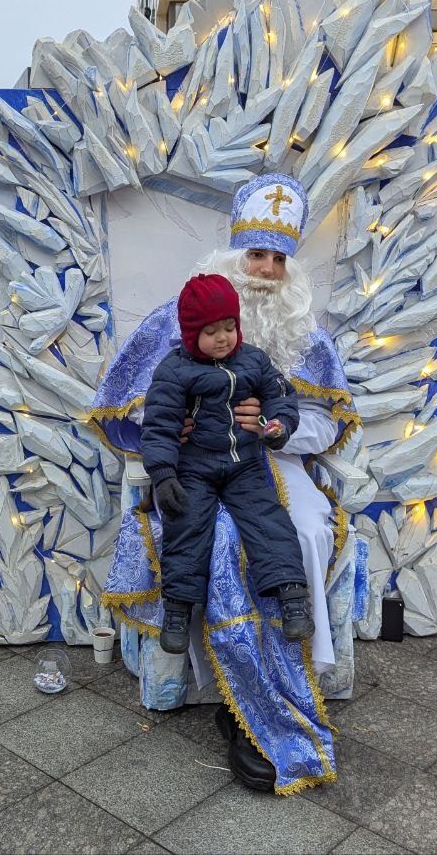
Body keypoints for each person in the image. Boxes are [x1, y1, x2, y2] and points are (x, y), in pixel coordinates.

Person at [92, 173, 359, 795]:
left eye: (278, 258)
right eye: (256, 254)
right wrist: (178, 433)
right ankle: (230, 689)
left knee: (307, 530)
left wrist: (275, 429)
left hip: (274, 462)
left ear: (290, 268)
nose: (265, 270)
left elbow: (326, 420)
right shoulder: (174, 323)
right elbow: (126, 408)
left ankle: (292, 673)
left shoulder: (303, 335)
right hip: (196, 467)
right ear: (235, 255)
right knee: (204, 537)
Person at [141, 273, 312, 653]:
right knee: (186, 523)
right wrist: (164, 474)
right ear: (190, 334)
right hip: (195, 466)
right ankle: (178, 608)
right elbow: (159, 424)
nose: (223, 337)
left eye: (229, 326)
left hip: (245, 464)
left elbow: (281, 396)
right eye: (211, 331)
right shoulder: (174, 371)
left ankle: (293, 597)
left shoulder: (254, 360)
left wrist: (279, 425)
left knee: (269, 518)